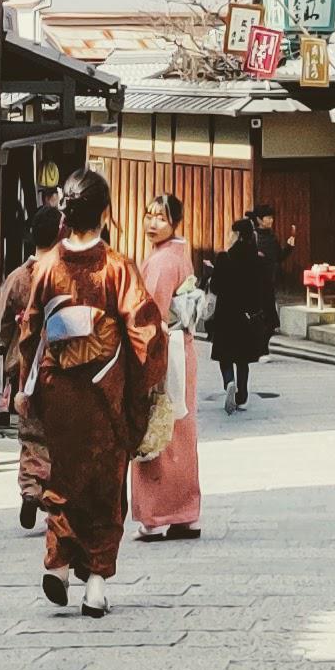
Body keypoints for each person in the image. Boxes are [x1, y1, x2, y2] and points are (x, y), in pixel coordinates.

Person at [18, 167, 165, 618]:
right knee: (104, 483)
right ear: (104, 213)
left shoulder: (44, 267)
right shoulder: (117, 267)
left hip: (58, 387)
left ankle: (59, 565)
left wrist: (31, 385)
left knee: (62, 478)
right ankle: (96, 585)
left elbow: (30, 331)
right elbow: (144, 332)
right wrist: (147, 388)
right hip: (105, 389)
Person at [130, 192, 202, 541]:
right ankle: (185, 512)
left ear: (175, 222)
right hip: (181, 348)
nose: (152, 223)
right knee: (181, 429)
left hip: (162, 347)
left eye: (160, 217)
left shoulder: (161, 262)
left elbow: (151, 313)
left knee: (156, 427)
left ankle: (157, 513)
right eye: (148, 215)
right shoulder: (178, 254)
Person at [0, 203, 61, 528]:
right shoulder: (63, 275)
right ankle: (51, 492)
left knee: (30, 432)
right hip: (58, 364)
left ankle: (30, 487)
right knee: (57, 432)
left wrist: (5, 347)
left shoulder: (18, 277)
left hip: (23, 364)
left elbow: (3, 322)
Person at [207, 215, 273, 414]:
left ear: (236, 235)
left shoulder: (224, 258)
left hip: (225, 315)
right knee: (242, 360)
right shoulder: (258, 259)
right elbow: (263, 290)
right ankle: (242, 397)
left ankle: (229, 382)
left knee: (225, 357)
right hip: (247, 317)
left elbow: (216, 287)